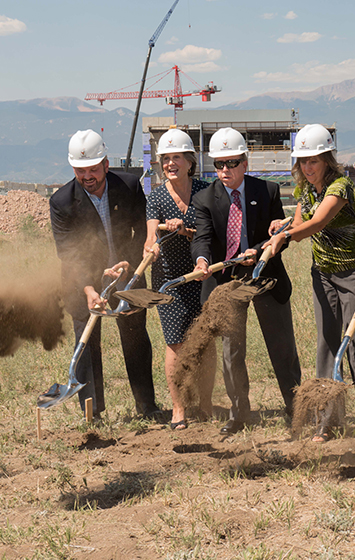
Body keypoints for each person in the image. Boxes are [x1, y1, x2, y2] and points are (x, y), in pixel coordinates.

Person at [264, 124, 355, 441]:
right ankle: (328, 422)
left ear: (327, 158)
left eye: (313, 160)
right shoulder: (305, 191)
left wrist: (287, 234)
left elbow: (317, 223)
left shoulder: (340, 187)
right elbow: (300, 221)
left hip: (354, 273)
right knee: (326, 345)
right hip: (323, 275)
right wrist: (283, 226)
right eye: (303, 162)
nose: (308, 168)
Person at [191, 127, 302, 435]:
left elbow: (281, 236)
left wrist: (263, 249)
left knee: (282, 348)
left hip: (265, 277)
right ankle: (239, 413)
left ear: (245, 162)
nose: (225, 170)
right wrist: (202, 261)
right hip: (226, 283)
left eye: (232, 163)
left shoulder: (267, 191)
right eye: (219, 164)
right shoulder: (204, 199)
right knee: (231, 351)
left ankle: (296, 409)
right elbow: (202, 239)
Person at [50, 129, 158, 420]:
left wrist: (128, 263)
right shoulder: (61, 203)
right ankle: (93, 412)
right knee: (87, 344)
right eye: (81, 170)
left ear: (106, 165)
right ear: (73, 168)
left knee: (135, 337)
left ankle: (146, 406)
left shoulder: (130, 186)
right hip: (82, 282)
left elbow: (141, 231)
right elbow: (70, 254)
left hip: (127, 275)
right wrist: (88, 288)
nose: (88, 176)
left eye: (94, 169)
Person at [145, 127, 215, 430]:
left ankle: (206, 403)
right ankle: (178, 409)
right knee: (174, 344)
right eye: (165, 158)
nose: (170, 163)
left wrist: (185, 231)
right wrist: (152, 245)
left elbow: (210, 232)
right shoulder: (157, 197)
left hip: (202, 275)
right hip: (169, 280)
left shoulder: (205, 191)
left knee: (204, 343)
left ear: (190, 160)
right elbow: (150, 235)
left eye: (176, 157)